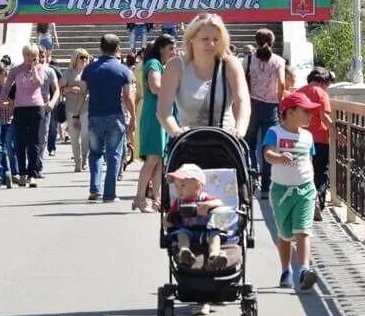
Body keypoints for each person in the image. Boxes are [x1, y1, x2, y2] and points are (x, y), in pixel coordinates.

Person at [157, 13, 251, 139]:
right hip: (189, 142)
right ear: (191, 39)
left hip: (225, 143)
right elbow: (163, 111)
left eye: (216, 39)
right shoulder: (175, 66)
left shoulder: (230, 64)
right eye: (205, 39)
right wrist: (176, 132)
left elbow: (243, 103)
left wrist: (239, 130)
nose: (211, 44)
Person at [264, 90, 321, 292]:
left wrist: (314, 189)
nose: (310, 115)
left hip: (305, 189)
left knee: (303, 231)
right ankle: (286, 269)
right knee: (285, 234)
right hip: (281, 191)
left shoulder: (308, 136)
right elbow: (268, 153)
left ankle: (304, 270)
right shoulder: (275, 132)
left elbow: (309, 161)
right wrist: (279, 158)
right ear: (290, 112)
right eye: (305, 111)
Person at [73, 34, 136, 203]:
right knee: (114, 154)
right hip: (115, 116)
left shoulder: (90, 69)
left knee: (95, 154)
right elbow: (127, 97)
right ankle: (110, 193)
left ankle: (95, 188)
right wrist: (133, 117)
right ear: (118, 49)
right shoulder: (124, 70)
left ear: (100, 48)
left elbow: (82, 94)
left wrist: (76, 114)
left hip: (94, 115)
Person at [244, 29, 293, 198]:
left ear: (256, 41)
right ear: (272, 41)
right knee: (268, 146)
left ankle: (251, 177)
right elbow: (281, 82)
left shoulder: (249, 59)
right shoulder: (278, 60)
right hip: (271, 106)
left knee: (249, 143)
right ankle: (266, 188)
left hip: (252, 105)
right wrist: (279, 100)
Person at [133, 36, 175, 212]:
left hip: (162, 113)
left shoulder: (160, 65)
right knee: (152, 159)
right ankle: (140, 198)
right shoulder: (153, 64)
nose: (174, 52)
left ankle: (156, 200)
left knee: (159, 160)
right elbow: (155, 87)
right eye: (171, 48)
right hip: (154, 114)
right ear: (161, 49)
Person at [165, 163, 227, 273]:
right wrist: (166, 221)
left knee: (215, 236)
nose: (179, 190)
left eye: (183, 186)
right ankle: (184, 250)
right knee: (181, 234)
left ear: (198, 187)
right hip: (187, 231)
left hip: (205, 231)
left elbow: (220, 202)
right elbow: (170, 214)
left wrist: (208, 205)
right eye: (177, 186)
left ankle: (214, 255)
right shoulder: (178, 202)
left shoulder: (204, 198)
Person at [297, 67, 334, 219]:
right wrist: (337, 133)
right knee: (320, 172)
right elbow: (324, 116)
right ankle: (318, 202)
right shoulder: (321, 93)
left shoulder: (299, 92)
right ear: (323, 82)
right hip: (319, 138)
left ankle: (302, 203)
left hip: (300, 138)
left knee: (302, 172)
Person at [9, 44, 47, 187]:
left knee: (34, 142)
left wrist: (35, 69)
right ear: (23, 55)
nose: (30, 58)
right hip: (20, 108)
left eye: (33, 55)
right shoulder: (16, 70)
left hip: (36, 107)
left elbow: (38, 84)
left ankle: (32, 174)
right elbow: (7, 85)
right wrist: (0, 102)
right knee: (21, 142)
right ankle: (22, 173)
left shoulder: (41, 69)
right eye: (28, 55)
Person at [62, 49, 91, 172]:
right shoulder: (68, 73)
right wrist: (69, 89)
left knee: (85, 135)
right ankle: (77, 162)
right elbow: (60, 89)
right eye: (81, 57)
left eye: (86, 57)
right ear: (75, 59)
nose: (84, 60)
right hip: (71, 108)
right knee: (74, 137)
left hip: (86, 107)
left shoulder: (89, 72)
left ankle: (85, 158)